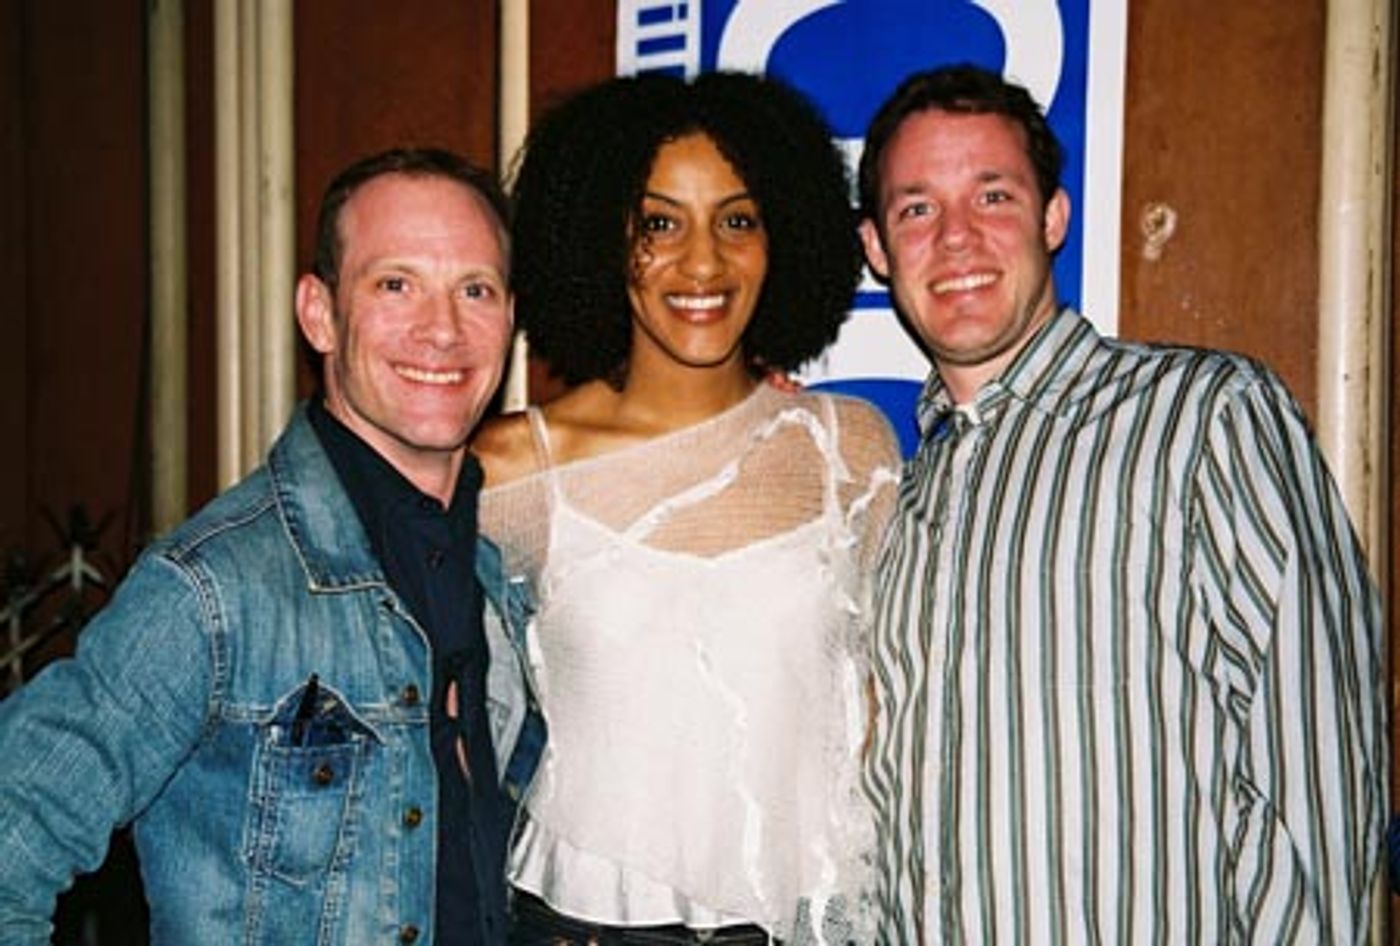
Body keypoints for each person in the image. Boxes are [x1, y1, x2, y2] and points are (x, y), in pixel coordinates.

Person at [856, 64, 1386, 942]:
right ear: (877, 248)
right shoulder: (897, 503)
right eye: (917, 208)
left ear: (1053, 218)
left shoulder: (1204, 418)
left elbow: (1317, 766)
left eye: (992, 196)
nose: (955, 238)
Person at [0, 147, 541, 945]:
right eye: (395, 285)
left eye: (475, 289)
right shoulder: (213, 589)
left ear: (510, 319)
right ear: (319, 313)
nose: (443, 329)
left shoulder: (501, 579)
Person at [472, 72, 901, 944]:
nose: (703, 263)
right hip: (581, 924)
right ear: (599, 234)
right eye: (659, 224)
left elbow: (882, 710)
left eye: (737, 221)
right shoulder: (513, 469)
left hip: (801, 924)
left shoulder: (848, 449)